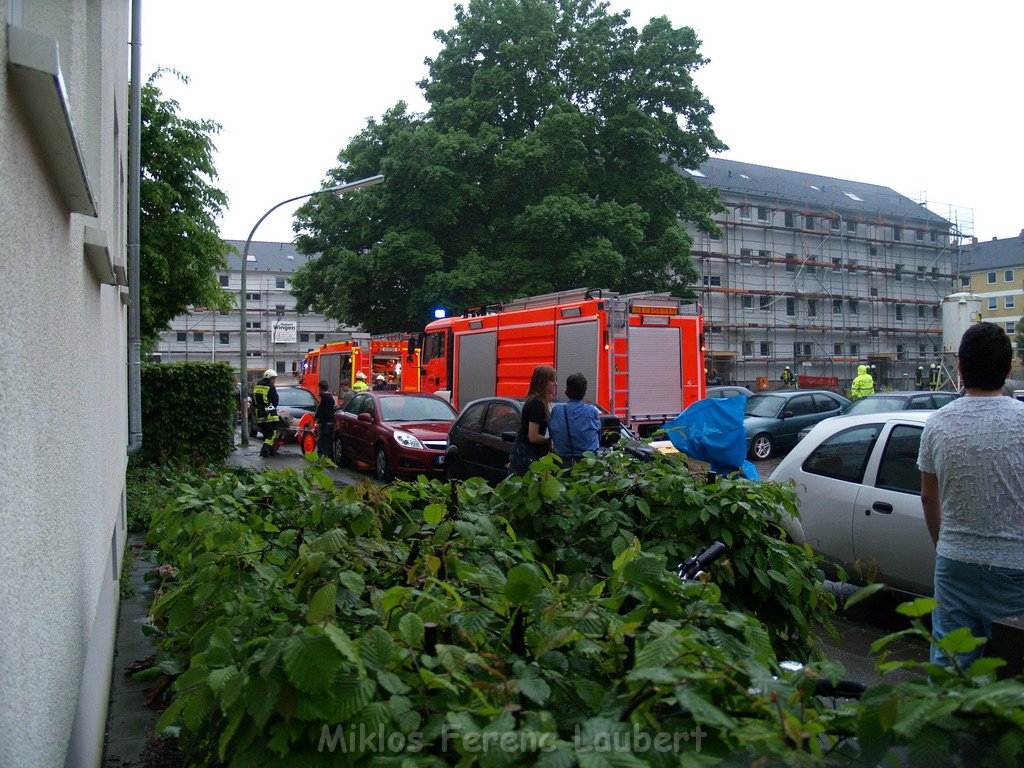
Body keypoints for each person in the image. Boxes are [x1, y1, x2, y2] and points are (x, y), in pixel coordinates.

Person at [917, 322, 1024, 670]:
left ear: (960, 369)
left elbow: (928, 498)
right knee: (1014, 674)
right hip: (1014, 565)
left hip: (953, 564)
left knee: (949, 668)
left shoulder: (937, 423)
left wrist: (943, 544)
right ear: (1008, 369)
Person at [507, 365, 556, 477]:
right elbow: (533, 436)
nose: (555, 384)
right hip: (526, 454)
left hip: (522, 452)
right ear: (542, 381)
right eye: (552, 380)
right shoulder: (537, 403)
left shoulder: (533, 399)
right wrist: (550, 441)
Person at [548, 373, 601, 468]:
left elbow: (553, 434)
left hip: (561, 463)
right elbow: (597, 435)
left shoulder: (557, 410)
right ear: (584, 391)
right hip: (588, 463)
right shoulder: (592, 411)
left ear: (567, 390)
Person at [252, 369, 281, 458]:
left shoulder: (256, 387)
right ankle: (264, 451)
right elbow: (276, 401)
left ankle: (271, 452)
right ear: (269, 378)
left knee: (265, 434)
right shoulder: (270, 387)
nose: (274, 381)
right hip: (270, 415)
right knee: (272, 434)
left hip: (259, 414)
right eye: (273, 379)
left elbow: (253, 401)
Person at [314, 379, 336, 462]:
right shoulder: (329, 397)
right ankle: (327, 458)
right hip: (329, 422)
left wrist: (319, 418)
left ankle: (323, 458)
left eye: (319, 388)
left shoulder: (325, 398)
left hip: (325, 423)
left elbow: (324, 411)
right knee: (327, 441)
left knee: (323, 440)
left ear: (321, 388)